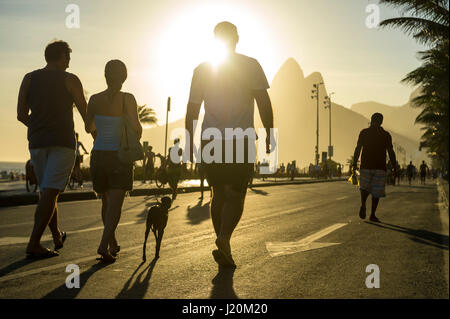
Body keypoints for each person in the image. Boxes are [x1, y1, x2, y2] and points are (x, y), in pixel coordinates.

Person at [185, 21, 274, 268]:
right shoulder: (251, 65)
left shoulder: (202, 69)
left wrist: (190, 139)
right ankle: (224, 238)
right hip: (241, 137)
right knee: (236, 193)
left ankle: (222, 241)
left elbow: (192, 108)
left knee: (218, 193)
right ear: (237, 38)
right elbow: (264, 102)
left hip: (210, 138)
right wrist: (269, 134)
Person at [17, 40, 87, 259]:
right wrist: (97, 134)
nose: (69, 63)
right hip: (62, 143)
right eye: (68, 58)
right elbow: (86, 114)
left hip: (37, 143)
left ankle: (56, 234)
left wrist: (39, 126)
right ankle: (34, 243)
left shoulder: (29, 78)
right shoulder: (70, 79)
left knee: (48, 190)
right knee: (51, 191)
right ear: (63, 57)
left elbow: (20, 115)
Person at [85, 60, 142, 263]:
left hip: (98, 154)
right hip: (119, 157)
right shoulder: (128, 99)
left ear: (105, 75)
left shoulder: (94, 99)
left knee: (106, 201)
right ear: (124, 77)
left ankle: (112, 243)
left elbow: (88, 126)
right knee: (115, 205)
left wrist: (102, 132)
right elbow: (136, 128)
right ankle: (103, 245)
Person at [352, 113, 396, 223]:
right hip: (380, 166)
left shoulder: (364, 133)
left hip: (366, 165)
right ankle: (372, 214)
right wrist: (395, 166)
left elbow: (358, 148)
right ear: (381, 122)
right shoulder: (386, 135)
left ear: (371, 120)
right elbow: (391, 151)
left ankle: (363, 204)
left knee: (364, 188)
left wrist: (354, 163)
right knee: (376, 191)